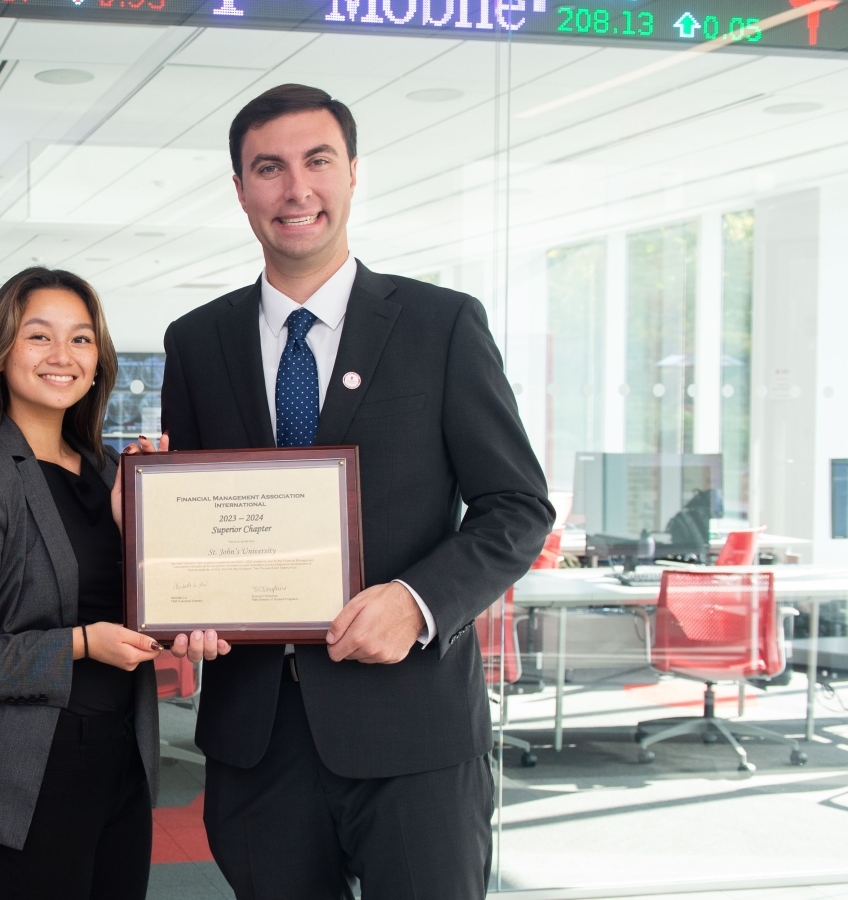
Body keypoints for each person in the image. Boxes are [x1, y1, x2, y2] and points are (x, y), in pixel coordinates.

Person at [160, 84, 555, 900]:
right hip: (257, 740)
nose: (295, 189)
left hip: (413, 730)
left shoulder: (442, 325)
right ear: (240, 189)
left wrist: (416, 602)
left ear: (352, 173)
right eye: (269, 168)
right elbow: (190, 522)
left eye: (317, 161)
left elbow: (517, 507)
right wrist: (178, 597)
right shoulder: (196, 342)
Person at [0, 267, 223, 900]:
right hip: (26, 775)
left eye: (80, 339)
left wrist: (150, 524)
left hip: (122, 756)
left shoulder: (109, 471)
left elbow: (136, 602)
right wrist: (80, 644)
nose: (62, 355)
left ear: (98, 361)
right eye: (38, 336)